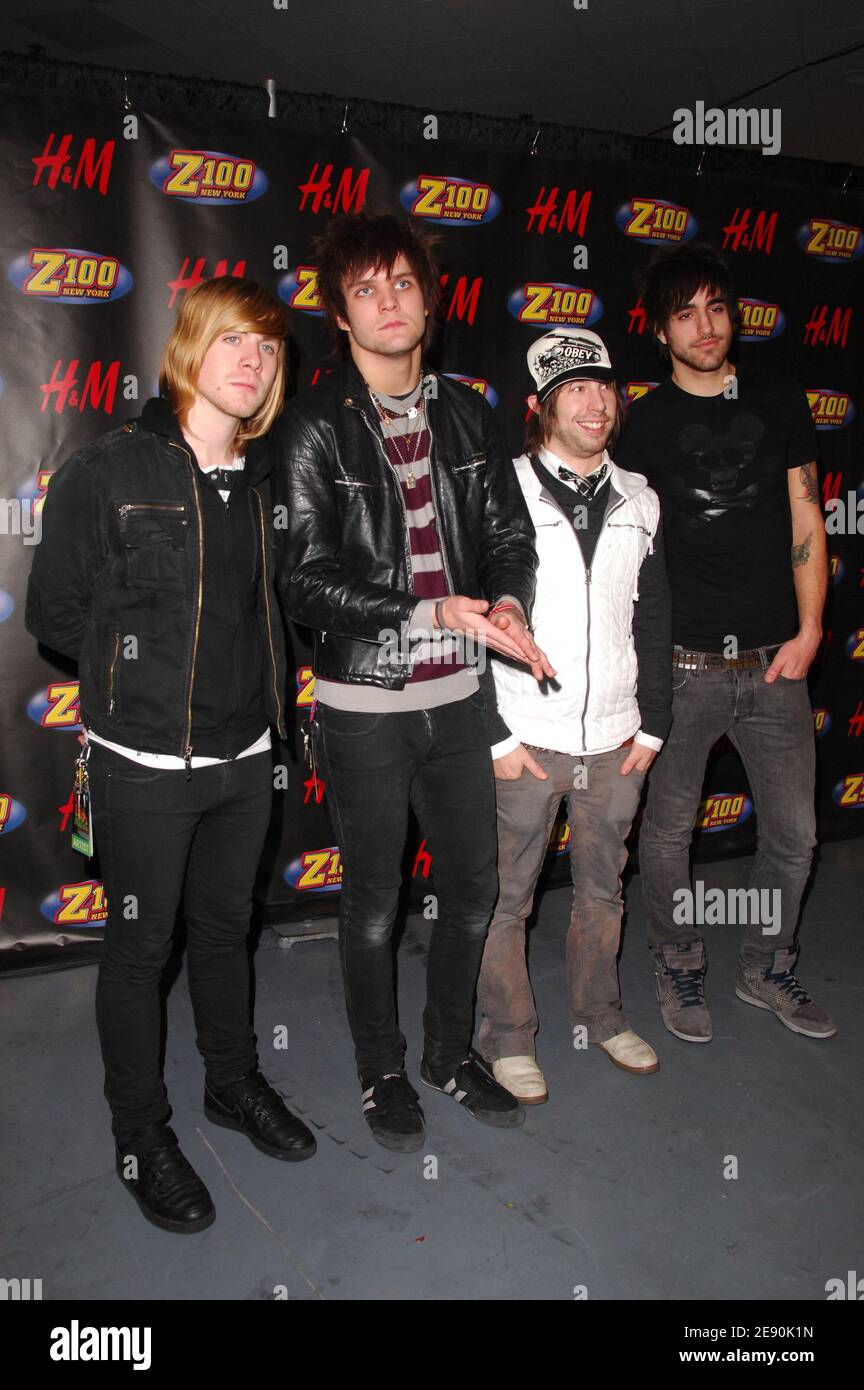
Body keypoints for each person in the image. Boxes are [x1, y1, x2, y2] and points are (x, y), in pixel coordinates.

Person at [26, 276, 316, 1235]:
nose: (252, 361)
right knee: (142, 950)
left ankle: (230, 1085)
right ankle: (137, 1131)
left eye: (267, 349)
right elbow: (57, 615)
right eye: (233, 342)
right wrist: (133, 683)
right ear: (191, 347)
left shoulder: (264, 478)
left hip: (244, 760)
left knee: (227, 932)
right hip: (143, 766)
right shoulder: (110, 469)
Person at [277, 212, 553, 1152]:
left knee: (474, 888)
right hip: (365, 707)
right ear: (341, 318)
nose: (389, 302)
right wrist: (430, 611)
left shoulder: (469, 413)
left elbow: (510, 538)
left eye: (403, 283)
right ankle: (380, 1068)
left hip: (461, 697)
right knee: (375, 901)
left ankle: (446, 1052)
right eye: (367, 290)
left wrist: (507, 605)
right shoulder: (315, 424)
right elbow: (303, 579)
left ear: (429, 301)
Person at [617, 243, 836, 1043]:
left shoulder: (780, 401)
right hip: (682, 667)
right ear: (661, 333)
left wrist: (812, 630)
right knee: (669, 832)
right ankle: (678, 964)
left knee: (796, 834)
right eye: (685, 314)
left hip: (778, 663)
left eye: (716, 308)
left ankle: (766, 966)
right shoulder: (639, 424)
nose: (705, 327)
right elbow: (628, 550)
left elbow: (808, 521)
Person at [477, 328, 671, 1103]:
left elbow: (652, 618)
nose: (595, 404)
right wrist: (493, 734)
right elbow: (472, 615)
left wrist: (651, 726)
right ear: (539, 407)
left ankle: (601, 1013)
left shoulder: (641, 496)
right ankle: (508, 1037)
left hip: (616, 739)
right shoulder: (503, 491)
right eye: (575, 391)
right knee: (506, 898)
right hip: (526, 737)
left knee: (603, 890)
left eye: (604, 388)